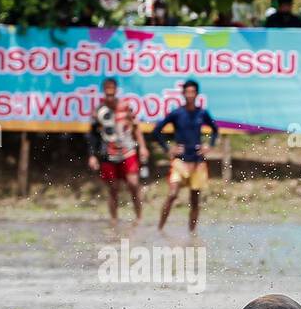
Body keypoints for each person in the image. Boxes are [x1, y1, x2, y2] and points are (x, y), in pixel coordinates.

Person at [150, 79, 220, 232]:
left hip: (197, 161)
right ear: (183, 94)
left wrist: (209, 145)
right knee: (172, 194)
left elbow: (215, 130)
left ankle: (192, 234)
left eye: (192, 92)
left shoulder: (202, 113)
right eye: (187, 92)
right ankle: (160, 229)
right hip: (180, 161)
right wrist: (168, 148)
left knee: (195, 201)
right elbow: (156, 131)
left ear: (196, 94)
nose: (190, 95)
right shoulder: (177, 113)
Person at [87, 77, 148, 223]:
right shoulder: (98, 111)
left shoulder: (125, 107)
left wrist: (143, 147)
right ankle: (114, 220)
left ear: (115, 90)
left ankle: (139, 217)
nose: (109, 92)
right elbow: (92, 135)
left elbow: (136, 127)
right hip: (108, 152)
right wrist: (92, 155)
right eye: (106, 89)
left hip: (128, 150)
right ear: (103, 91)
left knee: (133, 183)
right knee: (113, 188)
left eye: (111, 89)